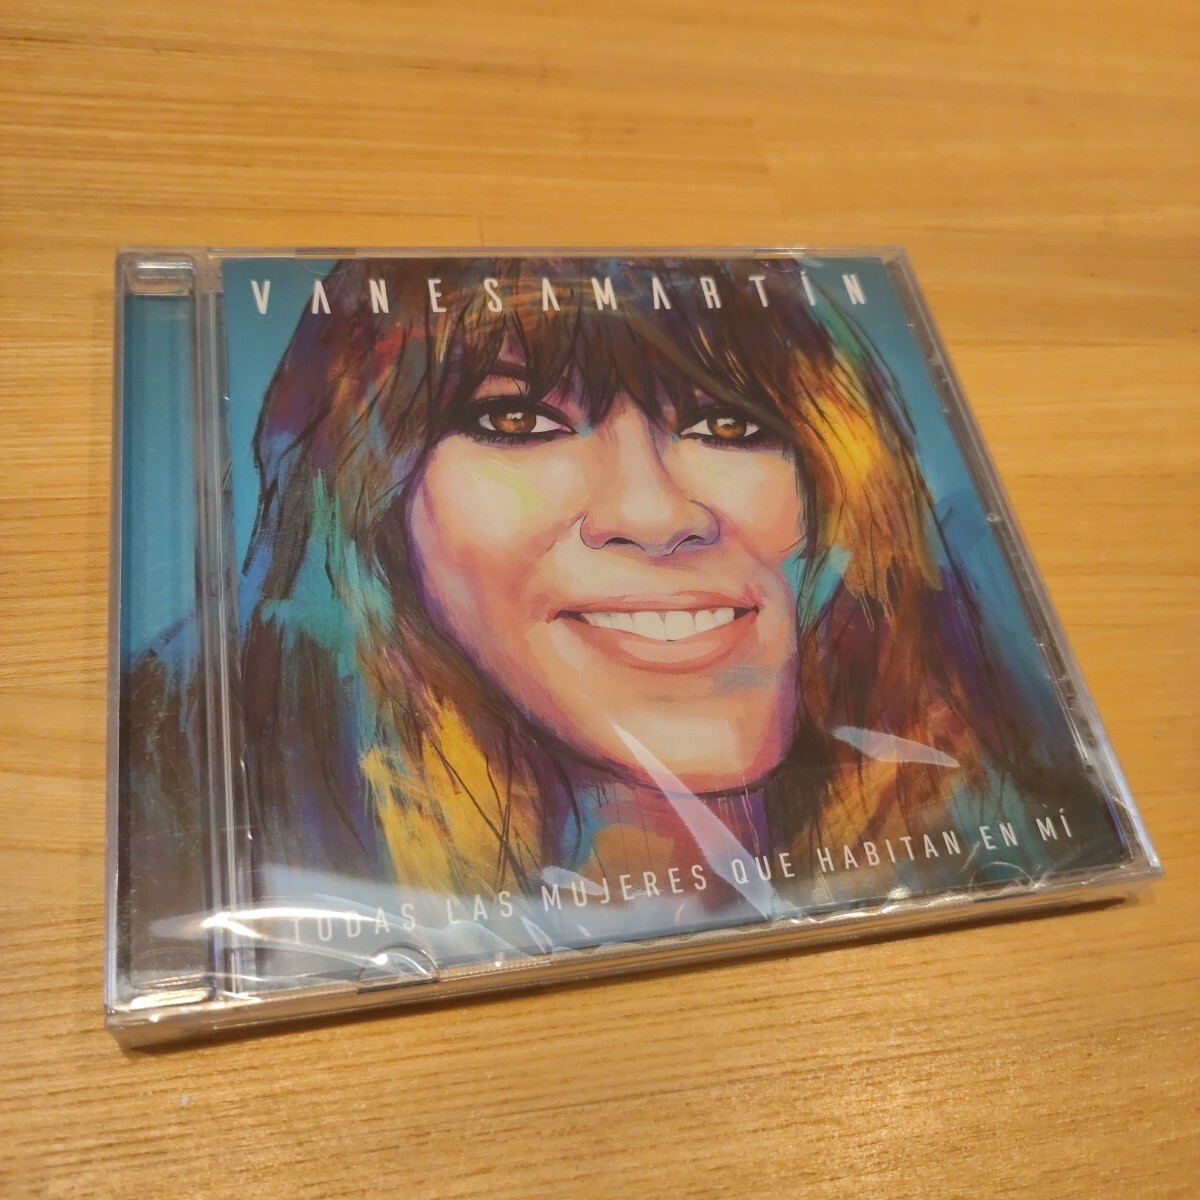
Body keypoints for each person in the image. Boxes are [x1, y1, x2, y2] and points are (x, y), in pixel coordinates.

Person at [226, 253, 1088, 927]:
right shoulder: (264, 867)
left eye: (729, 423)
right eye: (518, 422)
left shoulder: (1032, 842)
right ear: (372, 501)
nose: (655, 514)